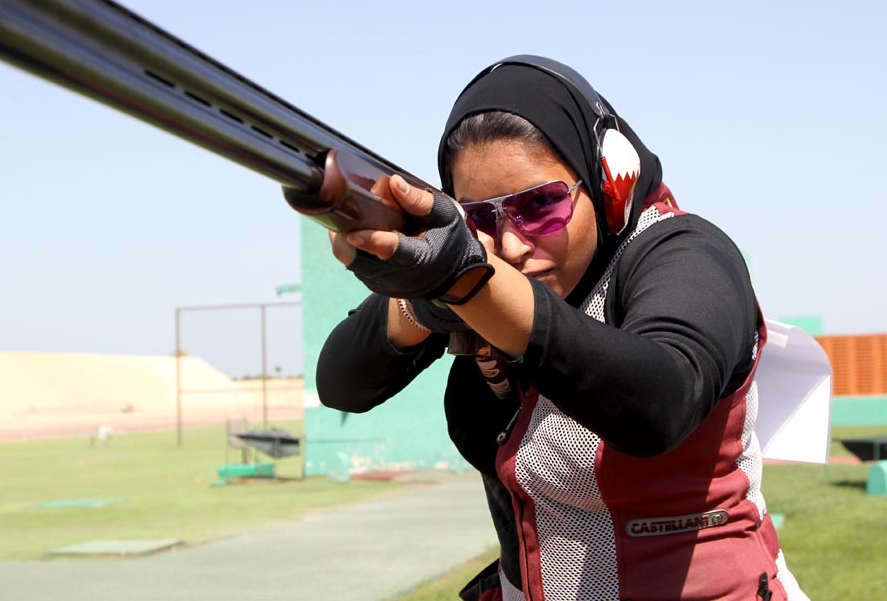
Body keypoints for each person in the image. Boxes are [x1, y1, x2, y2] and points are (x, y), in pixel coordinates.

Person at [316, 56, 809, 601]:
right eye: (479, 217)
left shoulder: (684, 253)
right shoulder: (478, 273)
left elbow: (660, 401)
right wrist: (428, 301)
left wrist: (467, 280)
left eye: (540, 205)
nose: (510, 245)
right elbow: (341, 382)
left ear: (606, 180)